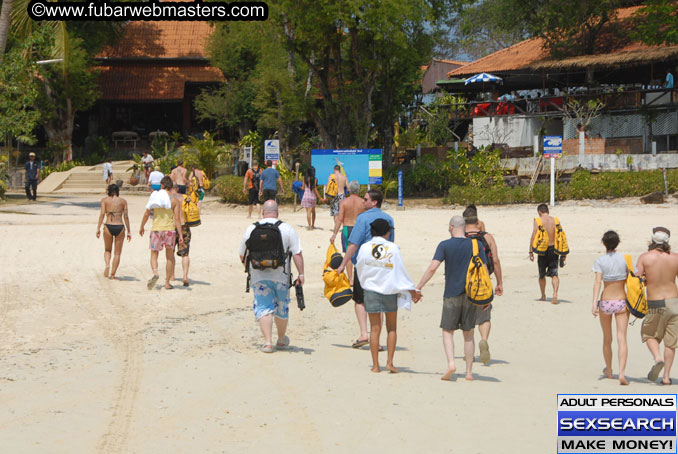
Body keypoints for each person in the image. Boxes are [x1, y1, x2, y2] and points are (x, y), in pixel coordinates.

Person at [416, 215, 488, 381]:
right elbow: (484, 271)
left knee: (448, 331)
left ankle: (451, 364)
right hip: (472, 295)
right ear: (464, 227)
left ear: (451, 227)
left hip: (451, 293)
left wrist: (419, 287)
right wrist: (487, 298)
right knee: (468, 334)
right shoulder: (476, 244)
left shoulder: (444, 245)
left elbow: (433, 268)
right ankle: (469, 373)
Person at [238, 200, 305, 353]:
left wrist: (249, 269)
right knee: (282, 306)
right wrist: (301, 274)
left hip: (258, 275)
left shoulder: (251, 228)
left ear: (263, 212)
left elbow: (242, 254)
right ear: (277, 212)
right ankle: (281, 339)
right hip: (281, 275)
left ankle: (268, 343)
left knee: (263, 306)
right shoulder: (286, 228)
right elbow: (297, 253)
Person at [355, 219, 420, 373]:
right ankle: (390, 363)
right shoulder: (393, 248)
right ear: (387, 232)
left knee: (374, 329)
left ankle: (376, 365)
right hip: (390, 291)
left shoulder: (364, 248)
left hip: (371, 290)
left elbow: (360, 268)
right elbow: (400, 271)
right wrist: (412, 291)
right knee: (391, 328)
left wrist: (367, 283)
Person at [336, 189, 394, 349]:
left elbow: (353, 243)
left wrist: (343, 264)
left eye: (366, 199)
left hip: (364, 266)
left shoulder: (362, 218)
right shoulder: (389, 219)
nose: (363, 201)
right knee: (379, 302)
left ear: (374, 202)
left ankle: (364, 333)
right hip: (383, 266)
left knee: (360, 300)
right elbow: (391, 244)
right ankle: (377, 339)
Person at [636, 227, 678, 385]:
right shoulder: (675, 257)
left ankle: (657, 358)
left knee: (648, 334)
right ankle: (666, 377)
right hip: (674, 301)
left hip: (655, 301)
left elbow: (637, 280)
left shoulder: (645, 258)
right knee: (671, 341)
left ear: (652, 240)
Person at [463, 205, 503, 365]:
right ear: (477, 220)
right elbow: (495, 261)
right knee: (484, 317)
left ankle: (469, 352)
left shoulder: (461, 239)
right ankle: (484, 339)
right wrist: (499, 282)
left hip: (466, 285)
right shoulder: (488, 238)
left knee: (468, 320)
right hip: (484, 282)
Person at [591, 230, 629, 386]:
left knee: (607, 339)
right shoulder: (625, 260)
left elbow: (598, 282)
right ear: (618, 243)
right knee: (622, 338)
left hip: (606, 301)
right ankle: (621, 373)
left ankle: (609, 370)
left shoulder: (600, 260)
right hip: (621, 300)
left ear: (603, 243)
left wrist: (594, 302)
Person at [139, 176, 184, 290]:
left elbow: (146, 213)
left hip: (157, 229)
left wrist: (142, 226)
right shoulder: (174, 201)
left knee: (154, 255)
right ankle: (167, 283)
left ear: (162, 185)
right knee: (170, 257)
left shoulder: (155, 198)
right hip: (169, 230)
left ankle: (155, 273)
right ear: (171, 186)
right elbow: (177, 219)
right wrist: (181, 235)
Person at [528, 203, 564, 304]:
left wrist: (530, 251)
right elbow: (561, 236)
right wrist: (563, 253)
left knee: (542, 275)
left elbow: (534, 235)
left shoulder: (538, 220)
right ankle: (555, 293)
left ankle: (543, 295)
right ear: (547, 211)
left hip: (542, 250)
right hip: (554, 249)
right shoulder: (555, 220)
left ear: (539, 212)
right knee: (554, 274)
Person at [330, 180, 365, 282]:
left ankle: (350, 279)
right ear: (358, 190)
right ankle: (359, 278)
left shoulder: (344, 202)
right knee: (359, 253)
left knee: (348, 254)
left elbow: (340, 219)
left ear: (349, 190)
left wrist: (334, 234)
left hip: (347, 228)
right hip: (359, 229)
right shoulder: (363, 202)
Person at [96, 184, 132, 280]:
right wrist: (129, 231)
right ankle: (112, 275)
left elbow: (102, 214)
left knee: (107, 250)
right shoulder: (123, 201)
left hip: (108, 226)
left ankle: (107, 264)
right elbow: (126, 216)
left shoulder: (104, 200)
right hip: (120, 226)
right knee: (117, 253)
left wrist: (98, 228)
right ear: (117, 191)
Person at [168, 183, 192, 287]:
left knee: (171, 252)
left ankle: (172, 275)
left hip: (172, 226)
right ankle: (185, 276)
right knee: (185, 253)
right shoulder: (185, 198)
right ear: (177, 189)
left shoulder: (168, 198)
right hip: (184, 226)